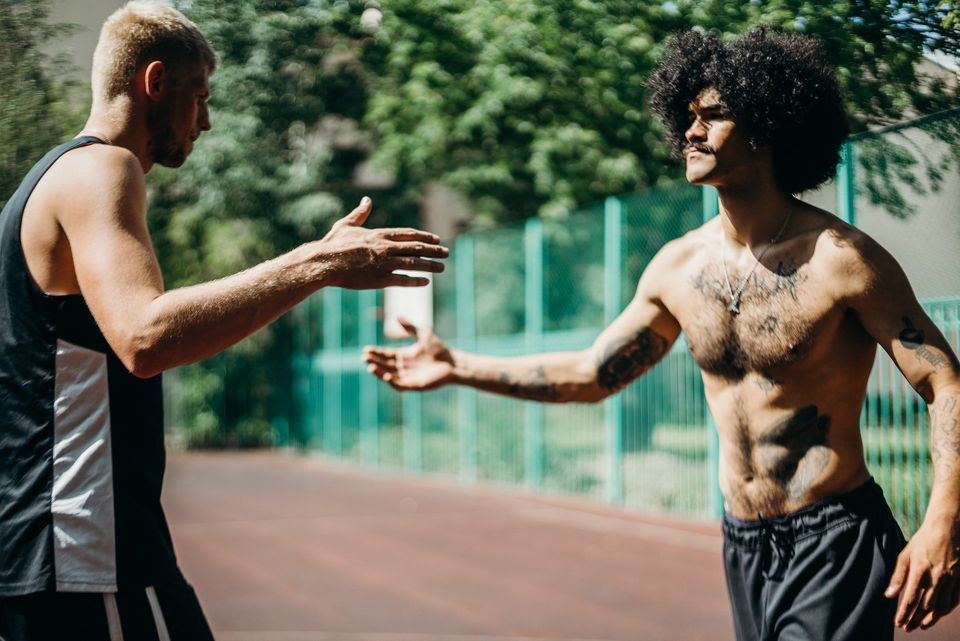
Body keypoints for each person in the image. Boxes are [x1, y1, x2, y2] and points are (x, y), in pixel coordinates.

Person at [364, 26, 960, 641]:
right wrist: (457, 365)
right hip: (746, 544)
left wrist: (942, 519)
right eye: (688, 118)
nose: (692, 133)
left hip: (834, 538)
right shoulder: (678, 268)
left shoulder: (841, 259)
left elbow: (946, 385)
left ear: (767, 127)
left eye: (714, 116)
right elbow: (593, 375)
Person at [0, 2, 447, 639]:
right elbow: (145, 337)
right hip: (85, 552)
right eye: (200, 96)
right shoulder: (101, 167)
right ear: (154, 82)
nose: (206, 121)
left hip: (64, 549)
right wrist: (317, 261)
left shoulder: (44, 181)